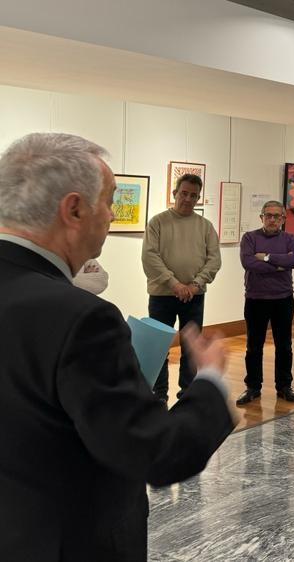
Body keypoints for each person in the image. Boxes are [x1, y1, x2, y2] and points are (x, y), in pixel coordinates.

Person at [0, 132, 236, 560]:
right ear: (74, 209)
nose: (111, 216)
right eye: (109, 201)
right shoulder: (81, 317)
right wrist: (210, 382)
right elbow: (156, 452)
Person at [143, 172, 222, 402]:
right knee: (159, 349)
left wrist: (195, 284)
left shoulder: (205, 226)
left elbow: (214, 259)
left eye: (193, 195)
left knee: (192, 348)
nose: (188, 198)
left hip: (194, 296)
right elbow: (150, 256)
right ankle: (159, 396)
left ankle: (187, 395)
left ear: (198, 198)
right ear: (175, 193)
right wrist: (174, 283)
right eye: (184, 193)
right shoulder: (158, 222)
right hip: (162, 295)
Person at [235, 200, 294, 406]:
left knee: (284, 345)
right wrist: (279, 265)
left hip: (283, 298)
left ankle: (284, 387)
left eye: (277, 216)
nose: (272, 219)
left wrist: (266, 257)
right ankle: (253, 387)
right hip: (256, 299)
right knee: (253, 346)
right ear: (261, 217)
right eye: (268, 215)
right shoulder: (249, 238)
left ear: (283, 219)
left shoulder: (290, 238)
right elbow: (248, 262)